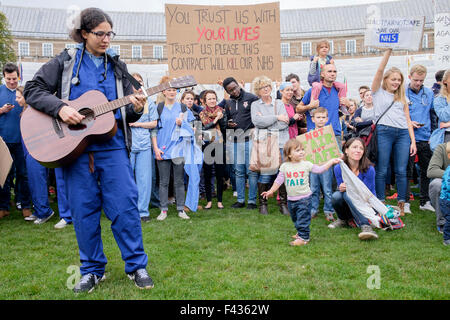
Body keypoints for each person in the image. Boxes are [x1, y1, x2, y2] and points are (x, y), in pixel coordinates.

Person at [23, 7, 153, 292]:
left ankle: (136, 266)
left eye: (110, 34)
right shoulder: (66, 61)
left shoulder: (118, 67)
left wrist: (137, 109)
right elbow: (32, 89)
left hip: (114, 148)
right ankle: (92, 270)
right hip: (75, 150)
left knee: (126, 207)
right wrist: (60, 109)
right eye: (100, 34)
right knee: (83, 211)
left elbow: (126, 115)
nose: (107, 39)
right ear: (84, 34)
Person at [261, 138, 339, 246]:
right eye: (297, 150)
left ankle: (304, 238)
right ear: (289, 154)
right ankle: (300, 232)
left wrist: (331, 162)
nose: (301, 152)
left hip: (304, 199)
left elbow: (320, 169)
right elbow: (279, 180)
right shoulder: (285, 166)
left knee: (303, 218)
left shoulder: (306, 164)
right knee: (295, 218)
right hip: (291, 199)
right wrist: (271, 191)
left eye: (302, 149)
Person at [371, 48, 417, 216]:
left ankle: (402, 204)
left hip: (403, 133)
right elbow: (379, 70)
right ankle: (381, 202)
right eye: (393, 79)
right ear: (386, 80)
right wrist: (388, 52)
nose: (396, 82)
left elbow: (408, 120)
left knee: (401, 170)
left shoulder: (402, 97)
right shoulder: (378, 92)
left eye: (399, 80)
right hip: (384, 131)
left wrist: (413, 141)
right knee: (382, 168)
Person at [152, 76, 196, 221]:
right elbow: (154, 130)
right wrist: (156, 149)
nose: (172, 92)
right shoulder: (158, 107)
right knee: (163, 182)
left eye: (174, 90)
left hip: (178, 150)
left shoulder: (183, 108)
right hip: (163, 150)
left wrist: (182, 123)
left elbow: (193, 128)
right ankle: (163, 210)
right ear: (163, 91)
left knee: (179, 181)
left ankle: (181, 209)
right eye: (169, 90)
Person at [14, 86, 54, 224]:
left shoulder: (34, 112)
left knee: (39, 182)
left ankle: (44, 212)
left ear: (26, 97)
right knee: (33, 182)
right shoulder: (26, 111)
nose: (16, 99)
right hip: (29, 153)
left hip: (36, 152)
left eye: (19, 97)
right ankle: (38, 211)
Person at [251, 75, 290, 215]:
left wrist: (266, 123)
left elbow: (284, 123)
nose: (266, 89)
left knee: (283, 172)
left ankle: (283, 204)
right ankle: (263, 204)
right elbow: (257, 122)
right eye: (262, 87)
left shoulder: (279, 103)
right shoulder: (255, 105)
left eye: (267, 86)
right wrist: (276, 117)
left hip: (282, 142)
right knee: (266, 174)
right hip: (266, 145)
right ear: (258, 90)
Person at [328, 137, 379, 240]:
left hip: (368, 204)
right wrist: (341, 187)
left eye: (361, 148)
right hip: (350, 202)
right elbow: (341, 189)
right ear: (346, 150)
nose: (358, 150)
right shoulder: (339, 167)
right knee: (336, 196)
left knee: (348, 194)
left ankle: (366, 226)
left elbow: (367, 194)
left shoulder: (369, 169)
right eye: (354, 147)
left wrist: (350, 188)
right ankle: (343, 220)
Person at [221, 77, 259, 210]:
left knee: (252, 171)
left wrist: (255, 128)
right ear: (227, 91)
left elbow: (258, 116)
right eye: (230, 90)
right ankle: (241, 200)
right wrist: (228, 124)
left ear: (238, 84)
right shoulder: (228, 102)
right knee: (238, 171)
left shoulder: (252, 98)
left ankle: (252, 201)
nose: (235, 91)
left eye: (235, 87)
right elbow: (225, 119)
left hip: (250, 139)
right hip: (235, 141)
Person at [0, 63, 32, 219]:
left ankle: (25, 205)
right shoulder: (0, 91)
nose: (12, 82)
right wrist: (1, 110)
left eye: (14, 78)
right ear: (3, 77)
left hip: (22, 141)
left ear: (19, 76)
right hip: (3, 141)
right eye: (8, 79)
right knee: (4, 175)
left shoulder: (24, 92)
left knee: (24, 174)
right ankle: (4, 207)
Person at [405, 65, 435, 213]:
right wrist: (408, 123)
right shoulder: (402, 91)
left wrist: (433, 134)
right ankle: (405, 201)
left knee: (426, 170)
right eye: (416, 80)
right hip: (407, 137)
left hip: (425, 136)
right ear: (410, 77)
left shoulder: (428, 93)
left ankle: (425, 200)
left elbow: (433, 114)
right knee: (407, 170)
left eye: (421, 80)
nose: (418, 83)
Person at [129, 73, 158, 223]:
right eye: (135, 83)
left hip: (144, 144)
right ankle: (127, 210)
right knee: (127, 180)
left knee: (144, 180)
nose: (138, 86)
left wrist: (138, 124)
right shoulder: (124, 102)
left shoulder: (149, 102)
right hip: (127, 144)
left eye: (140, 83)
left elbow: (153, 123)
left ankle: (142, 212)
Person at [297, 63, 348, 148]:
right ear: (322, 74)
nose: (332, 74)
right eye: (329, 71)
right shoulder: (313, 91)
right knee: (316, 162)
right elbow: (298, 109)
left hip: (335, 133)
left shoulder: (338, 91)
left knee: (336, 161)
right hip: (317, 134)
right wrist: (309, 106)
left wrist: (348, 104)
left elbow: (345, 112)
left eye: (335, 71)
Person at [199, 90, 227, 209]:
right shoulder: (202, 113)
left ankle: (220, 200)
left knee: (220, 173)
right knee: (208, 172)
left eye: (214, 98)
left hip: (219, 143)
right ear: (205, 101)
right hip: (207, 144)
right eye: (209, 99)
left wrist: (221, 119)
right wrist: (216, 120)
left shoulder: (222, 111)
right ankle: (209, 200)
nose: (212, 100)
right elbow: (205, 127)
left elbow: (225, 127)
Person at [309, 107, 336, 221]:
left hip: (326, 166)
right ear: (313, 119)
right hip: (314, 166)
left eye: (323, 117)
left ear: (327, 119)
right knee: (313, 188)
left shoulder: (329, 133)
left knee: (327, 189)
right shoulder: (309, 134)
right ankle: (313, 209)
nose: (320, 120)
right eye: (318, 117)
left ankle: (329, 210)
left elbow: (334, 149)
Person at [427, 142, 450, 235]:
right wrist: (448, 176)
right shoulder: (442, 148)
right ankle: (443, 222)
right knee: (436, 184)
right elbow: (431, 171)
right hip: (447, 184)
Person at [432, 69, 450, 144]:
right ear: (445, 81)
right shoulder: (439, 99)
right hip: (447, 135)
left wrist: (448, 124)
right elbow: (444, 117)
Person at [438, 142, 450, 246]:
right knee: (449, 219)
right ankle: (447, 239)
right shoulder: (448, 171)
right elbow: (448, 184)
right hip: (446, 201)